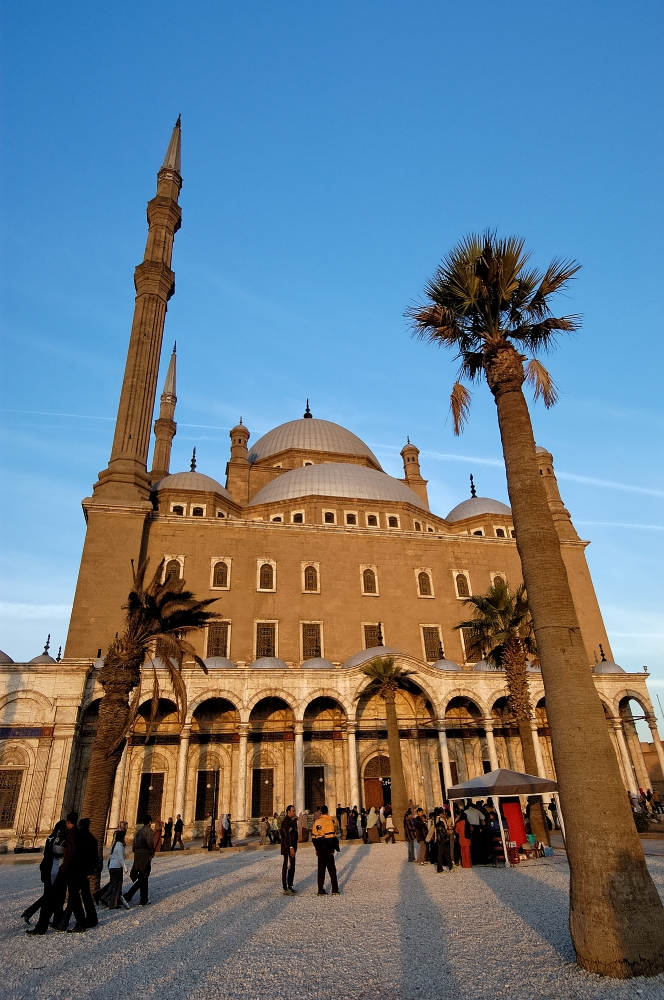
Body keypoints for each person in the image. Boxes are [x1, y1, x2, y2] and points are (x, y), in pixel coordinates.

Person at [28, 811, 87, 934]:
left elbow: (70, 854)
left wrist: (63, 868)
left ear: (68, 823)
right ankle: (60, 921)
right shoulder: (75, 835)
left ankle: (42, 926)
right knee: (65, 898)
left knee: (51, 899)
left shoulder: (66, 837)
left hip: (62, 871)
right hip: (66, 871)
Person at [21, 819, 66, 925]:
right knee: (54, 895)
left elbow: (47, 854)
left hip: (47, 868)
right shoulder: (60, 839)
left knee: (50, 894)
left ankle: (31, 913)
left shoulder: (51, 838)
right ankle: (51, 920)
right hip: (55, 869)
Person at [60, 817, 99, 929]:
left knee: (74, 896)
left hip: (77, 871)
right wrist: (90, 871)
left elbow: (73, 854)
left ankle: (79, 921)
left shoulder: (77, 837)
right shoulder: (91, 838)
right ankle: (92, 919)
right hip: (85, 871)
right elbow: (94, 857)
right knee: (86, 895)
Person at [125, 816, 154, 905]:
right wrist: (151, 852)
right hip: (145, 855)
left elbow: (133, 846)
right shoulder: (149, 831)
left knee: (143, 876)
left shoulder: (138, 832)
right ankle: (127, 896)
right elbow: (150, 843)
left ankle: (143, 899)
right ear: (149, 822)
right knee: (144, 876)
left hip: (137, 854)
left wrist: (136, 852)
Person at [312, 804, 340, 895]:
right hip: (327, 849)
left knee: (321, 870)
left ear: (320, 812)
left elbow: (313, 837)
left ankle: (320, 889)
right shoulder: (329, 821)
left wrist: (317, 848)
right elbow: (331, 837)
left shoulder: (317, 822)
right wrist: (332, 848)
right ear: (327, 811)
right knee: (332, 869)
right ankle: (334, 889)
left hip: (320, 849)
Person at [280, 804, 299, 895]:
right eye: (293, 811)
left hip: (292, 848)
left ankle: (290, 885)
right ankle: (285, 887)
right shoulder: (285, 822)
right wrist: (290, 847)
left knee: (292, 867)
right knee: (287, 867)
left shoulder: (292, 821)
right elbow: (287, 837)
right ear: (288, 812)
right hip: (287, 849)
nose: (295, 812)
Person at [107, 830, 127, 908]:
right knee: (117, 886)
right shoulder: (119, 846)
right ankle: (113, 903)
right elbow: (121, 858)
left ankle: (105, 898)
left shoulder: (114, 845)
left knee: (113, 884)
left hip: (112, 866)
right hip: (117, 867)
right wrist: (125, 867)